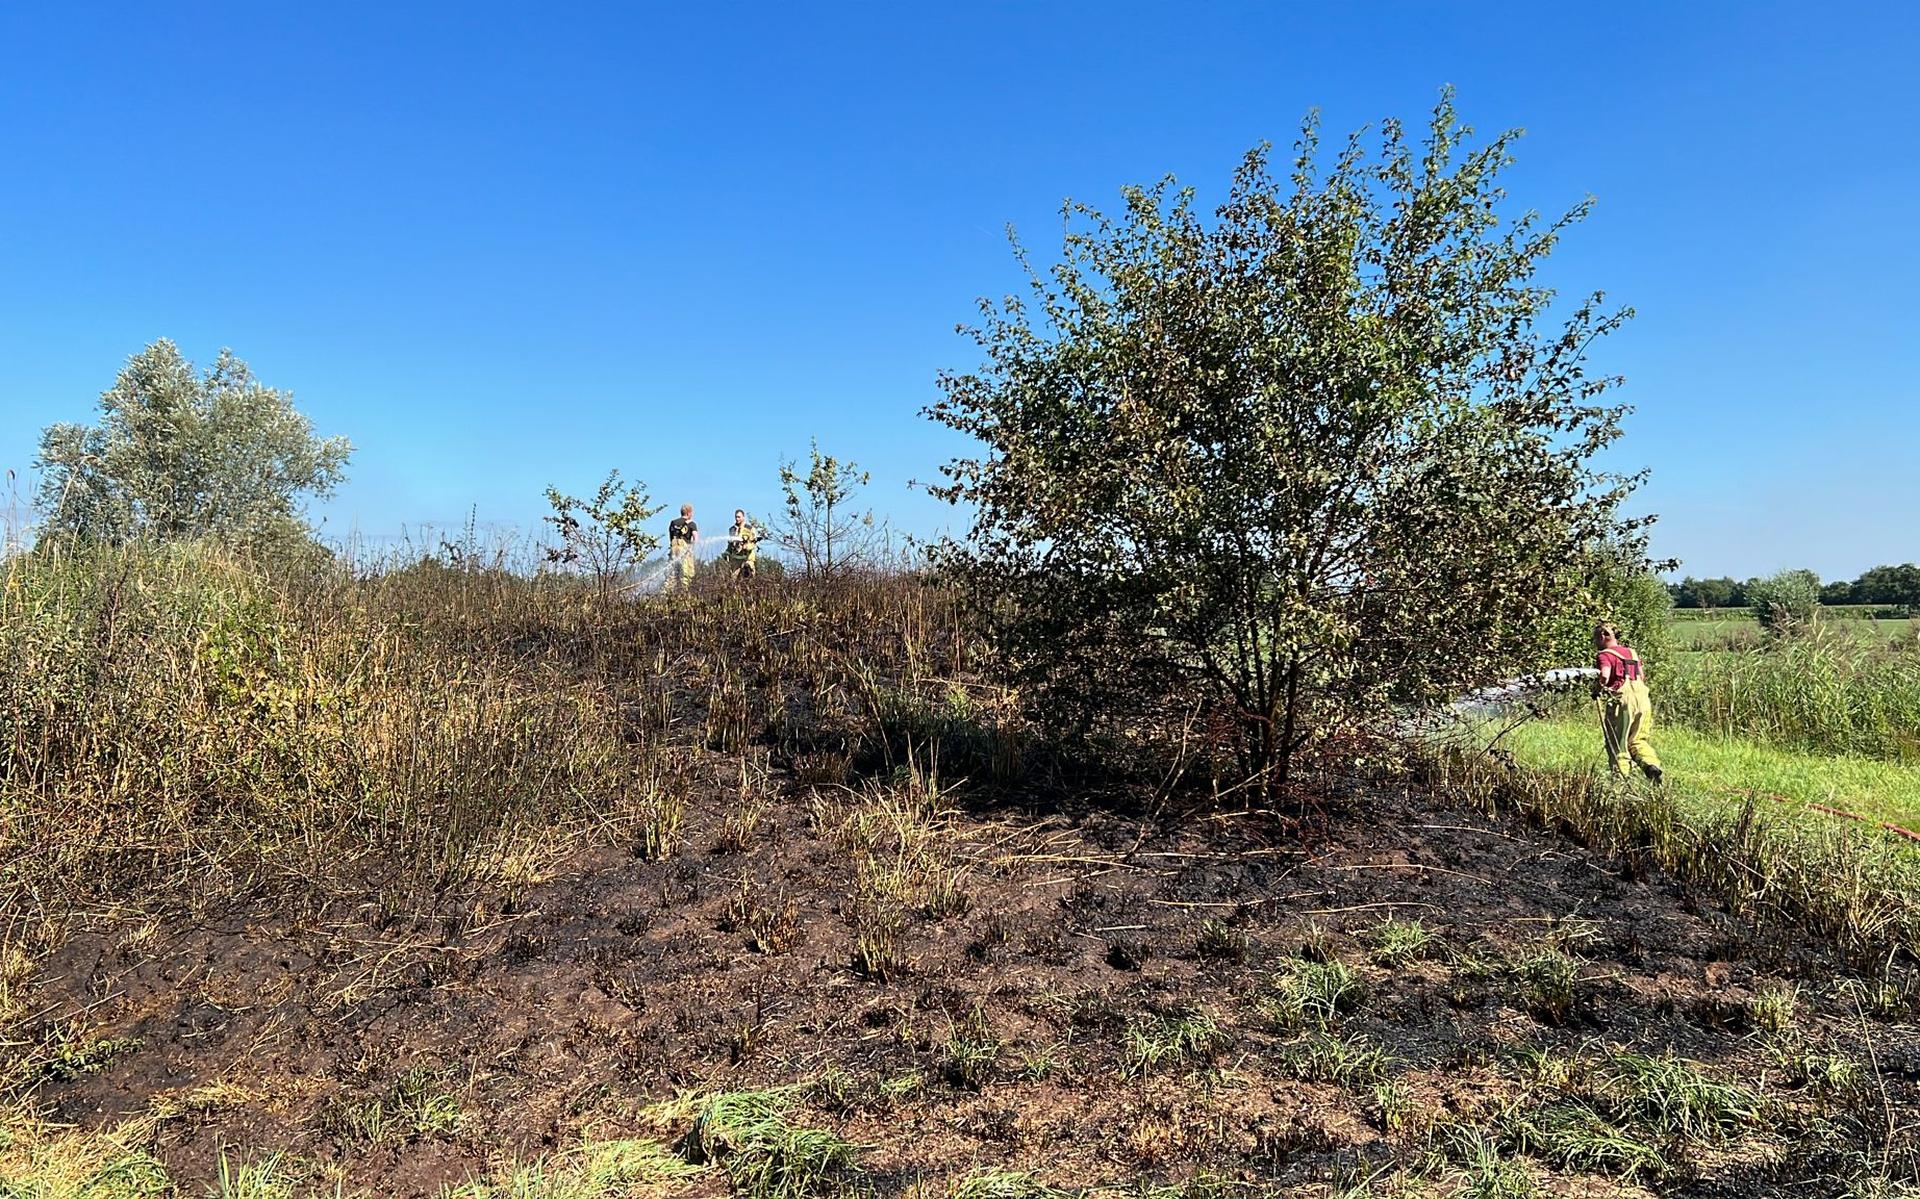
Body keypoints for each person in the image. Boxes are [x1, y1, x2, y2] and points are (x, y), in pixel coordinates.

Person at [1592, 622, 1663, 783]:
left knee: (1618, 744)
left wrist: (1597, 689)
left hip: (1622, 701)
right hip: (1643, 699)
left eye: (1595, 638)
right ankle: (1651, 766)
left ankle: (1620, 783)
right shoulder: (1632, 652)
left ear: (1603, 636)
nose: (1595, 642)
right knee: (1638, 740)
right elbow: (1642, 676)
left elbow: (1604, 675)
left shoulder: (1604, 655)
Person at [667, 504, 698, 592]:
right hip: (685, 550)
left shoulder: (673, 522)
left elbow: (671, 537)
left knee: (672, 573)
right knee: (686, 573)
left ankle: (668, 593)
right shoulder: (692, 524)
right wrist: (692, 548)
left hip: (674, 549)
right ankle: (685, 592)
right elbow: (696, 538)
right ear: (689, 513)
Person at [723, 508, 760, 579]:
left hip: (747, 559)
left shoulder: (750, 529)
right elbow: (730, 544)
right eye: (736, 517)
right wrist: (727, 553)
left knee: (748, 578)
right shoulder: (732, 530)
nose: (737, 519)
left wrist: (746, 546)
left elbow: (753, 543)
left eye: (739, 517)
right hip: (735, 560)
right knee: (733, 581)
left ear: (743, 517)